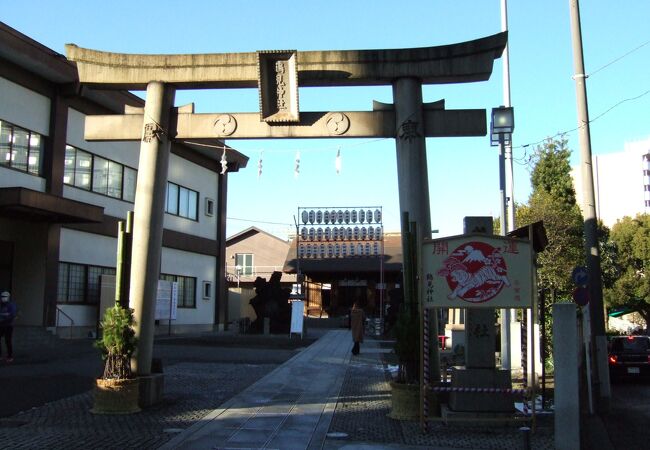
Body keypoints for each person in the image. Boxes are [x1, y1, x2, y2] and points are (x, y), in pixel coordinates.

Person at [0, 291, 17, 363]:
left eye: (5, 297)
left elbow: (12, 315)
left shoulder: (11, 305)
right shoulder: (1, 305)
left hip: (8, 325)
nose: (3, 298)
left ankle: (10, 356)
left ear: (8, 297)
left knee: (8, 341)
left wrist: (4, 317)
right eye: (2, 297)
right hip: (1, 325)